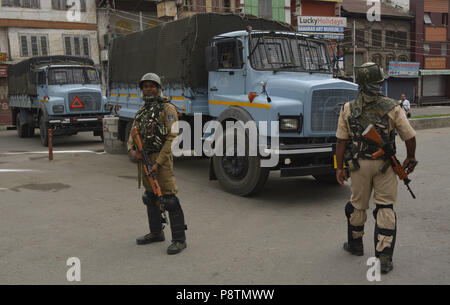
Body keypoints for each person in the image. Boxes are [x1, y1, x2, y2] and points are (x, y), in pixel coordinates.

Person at [335, 63, 418, 273]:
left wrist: (339, 167)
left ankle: (355, 245)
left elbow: (341, 142)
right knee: (385, 207)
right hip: (385, 166)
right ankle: (384, 258)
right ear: (378, 83)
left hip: (358, 165)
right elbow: (409, 136)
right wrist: (410, 157)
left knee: (357, 206)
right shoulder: (393, 106)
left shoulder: (348, 107)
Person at [127, 72, 187, 255]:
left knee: (169, 199)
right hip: (144, 159)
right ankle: (156, 233)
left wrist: (159, 162)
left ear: (159, 88)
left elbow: (173, 136)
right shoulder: (142, 111)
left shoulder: (168, 109)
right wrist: (131, 150)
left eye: (152, 86)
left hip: (162, 159)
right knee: (150, 197)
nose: (149, 89)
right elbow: (133, 132)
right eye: (145, 86)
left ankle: (179, 240)